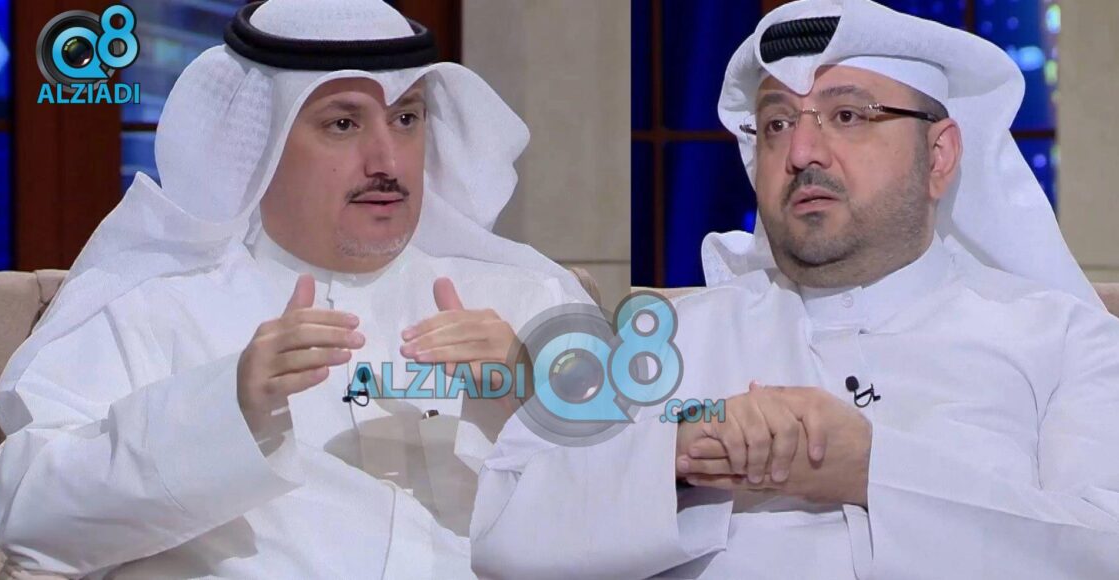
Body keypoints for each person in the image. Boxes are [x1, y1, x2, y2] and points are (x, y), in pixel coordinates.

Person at [470, 1, 1119, 578]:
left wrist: (869, 471)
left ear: (940, 156)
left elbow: (1104, 547)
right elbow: (505, 535)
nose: (803, 150)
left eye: (848, 115)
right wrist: (680, 457)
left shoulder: (1066, 340)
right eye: (777, 123)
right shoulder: (666, 341)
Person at [0, 0, 592, 577]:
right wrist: (226, 408)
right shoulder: (152, 307)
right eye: (343, 124)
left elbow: (634, 509)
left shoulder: (529, 300)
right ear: (262, 140)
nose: (387, 161)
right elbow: (30, 518)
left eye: (406, 119)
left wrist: (542, 399)